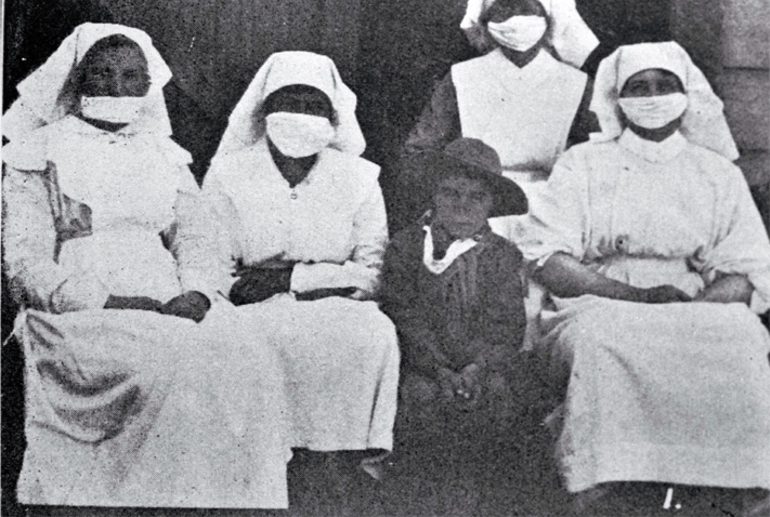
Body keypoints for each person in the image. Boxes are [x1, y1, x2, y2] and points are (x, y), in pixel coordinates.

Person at [2, 23, 292, 509]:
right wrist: (110, 301)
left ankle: (218, 502)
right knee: (166, 358)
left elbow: (197, 234)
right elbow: (24, 262)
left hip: (172, 295)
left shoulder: (163, 153)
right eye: (103, 74)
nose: (118, 88)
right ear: (78, 80)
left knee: (251, 356)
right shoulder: (38, 152)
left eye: (132, 77)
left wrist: (197, 292)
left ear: (149, 85)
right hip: (80, 307)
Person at [519, 41, 770, 512]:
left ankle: (739, 483)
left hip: (694, 299)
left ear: (687, 94)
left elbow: (746, 268)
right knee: (602, 339)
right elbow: (549, 258)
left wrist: (689, 311)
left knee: (740, 334)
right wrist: (633, 296)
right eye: (639, 87)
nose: (652, 96)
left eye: (664, 85)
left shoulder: (716, 172)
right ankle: (602, 479)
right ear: (618, 98)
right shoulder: (583, 163)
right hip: (599, 296)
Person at [202, 51, 399, 491]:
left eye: (314, 107)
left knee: (374, 333)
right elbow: (210, 259)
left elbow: (371, 273)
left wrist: (293, 279)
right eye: (287, 104)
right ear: (264, 110)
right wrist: (237, 292)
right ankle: (259, 467)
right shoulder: (228, 173)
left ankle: (340, 464)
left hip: (334, 304)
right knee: (233, 339)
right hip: (248, 303)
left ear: (333, 117)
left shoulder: (360, 177)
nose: (299, 116)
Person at [380, 138, 550, 511]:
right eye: (451, 193)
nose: (462, 205)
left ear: (490, 205)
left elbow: (506, 326)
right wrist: (438, 367)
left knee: (497, 397)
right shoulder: (407, 247)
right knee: (419, 398)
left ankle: (479, 501)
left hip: (481, 366)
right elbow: (402, 313)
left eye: (476, 197)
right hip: (421, 364)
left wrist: (475, 367)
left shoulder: (503, 256)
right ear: (434, 195)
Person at [398, 0, 600, 241]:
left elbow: (595, 160)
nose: (516, 20)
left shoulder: (575, 84)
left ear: (548, 18)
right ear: (486, 20)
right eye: (503, 10)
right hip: (471, 206)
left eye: (528, 10)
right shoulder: (462, 77)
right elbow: (421, 150)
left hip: (552, 210)